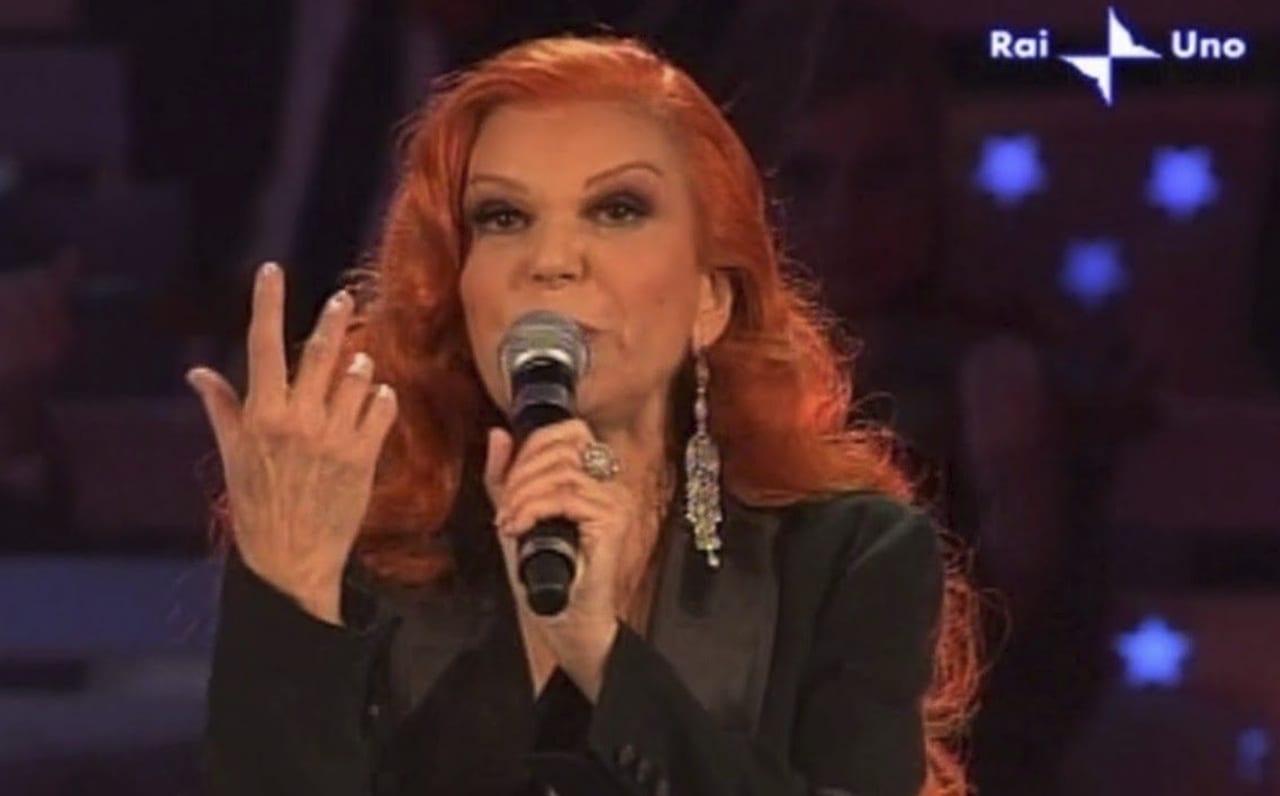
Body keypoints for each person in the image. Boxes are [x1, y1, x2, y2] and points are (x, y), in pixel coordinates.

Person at [184, 35, 978, 796]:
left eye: (618, 209)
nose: (552, 260)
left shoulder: (848, 558)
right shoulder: (364, 550)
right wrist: (288, 595)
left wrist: (602, 655)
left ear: (709, 299)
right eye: (503, 217)